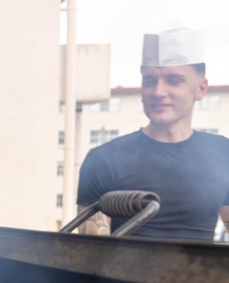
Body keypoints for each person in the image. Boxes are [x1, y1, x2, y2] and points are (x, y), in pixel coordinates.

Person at [77, 27, 229, 241]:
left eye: (173, 80)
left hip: (200, 273)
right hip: (121, 273)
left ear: (201, 89)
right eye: (150, 80)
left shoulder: (223, 154)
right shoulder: (103, 159)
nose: (158, 92)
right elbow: (91, 253)